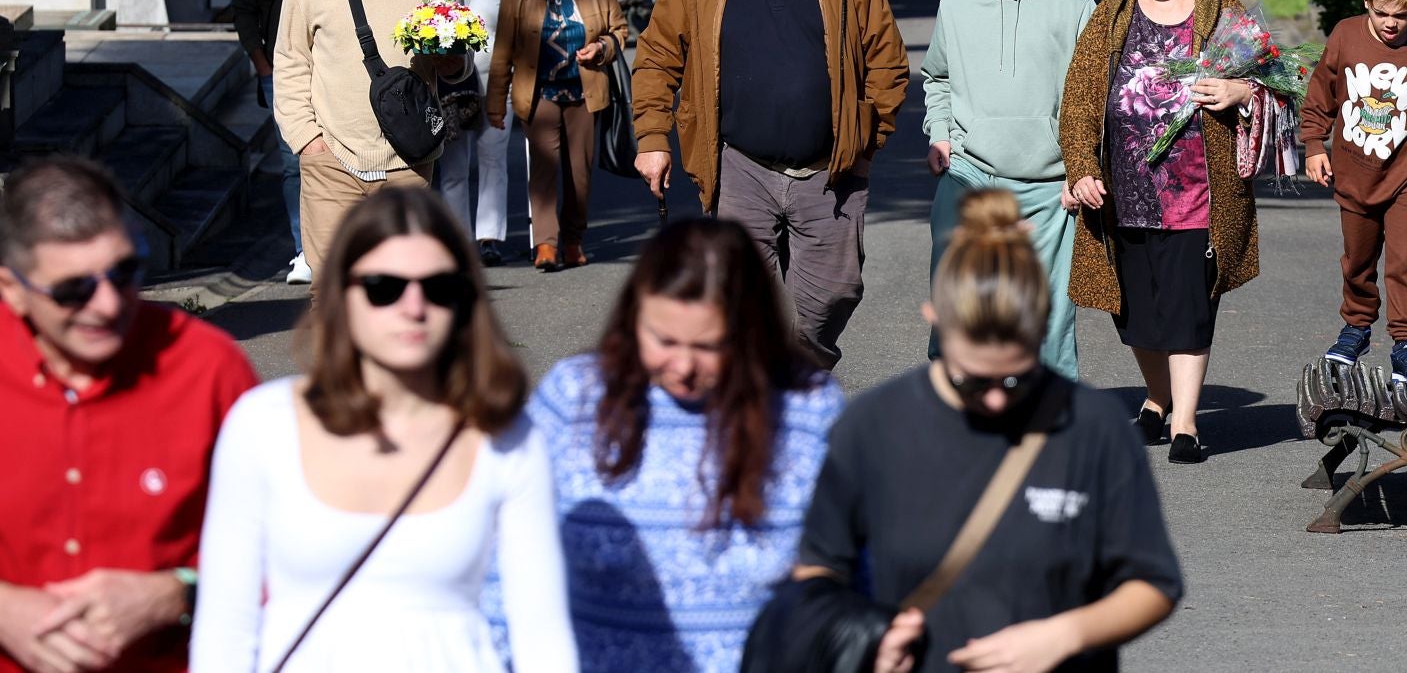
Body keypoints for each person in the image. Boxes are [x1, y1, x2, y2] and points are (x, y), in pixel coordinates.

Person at [795, 190, 1183, 673]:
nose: (997, 398)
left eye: (1016, 377)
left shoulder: (1092, 427)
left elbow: (1154, 583)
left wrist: (1065, 635)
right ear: (935, 319)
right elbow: (814, 570)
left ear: (1042, 326)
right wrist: (864, 636)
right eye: (973, 379)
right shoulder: (873, 424)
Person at [191, 188, 576, 672]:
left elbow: (542, 636)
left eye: (437, 287)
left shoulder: (506, 437)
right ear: (340, 296)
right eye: (383, 287)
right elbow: (225, 627)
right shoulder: (263, 425)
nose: (413, 306)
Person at [504, 218, 843, 672]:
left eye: (710, 346)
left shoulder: (807, 409)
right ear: (634, 319)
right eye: (663, 341)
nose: (682, 366)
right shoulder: (575, 399)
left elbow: (856, 566)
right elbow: (502, 556)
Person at [631, 0, 909, 369]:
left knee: (836, 291)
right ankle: (775, 402)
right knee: (744, 299)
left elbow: (888, 65)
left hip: (831, 168)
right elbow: (655, 59)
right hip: (740, 166)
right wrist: (651, 139)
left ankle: (795, 373)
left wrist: (866, 143)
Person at [0, 157, 257, 673]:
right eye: (74, 290)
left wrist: (176, 595)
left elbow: (291, 547)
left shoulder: (210, 369)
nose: (108, 304)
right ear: (12, 290)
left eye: (124, 272)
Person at [1059, 0, 1261, 464]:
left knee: (1189, 307)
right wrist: (1082, 169)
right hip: (1125, 192)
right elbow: (1078, 97)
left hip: (1198, 194)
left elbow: (1277, 87)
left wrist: (1241, 93)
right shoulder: (1115, 11)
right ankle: (1156, 396)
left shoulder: (1223, 12)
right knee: (1137, 313)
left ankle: (1187, 426)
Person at [924, 0, 1095, 379]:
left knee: (1048, 307)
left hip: (1048, 183)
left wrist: (1082, 168)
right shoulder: (955, 3)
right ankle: (956, 396)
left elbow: (1095, 97)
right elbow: (936, 77)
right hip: (971, 173)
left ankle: (1050, 405)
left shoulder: (1075, 2)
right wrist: (941, 135)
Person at [274, 0, 463, 278]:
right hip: (331, 155)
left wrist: (451, 61)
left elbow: (455, 56)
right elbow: (291, 56)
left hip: (408, 159)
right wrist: (307, 140)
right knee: (330, 288)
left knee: (404, 287)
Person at [1298, 0, 1407, 385]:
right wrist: (1314, 144)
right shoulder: (1346, 36)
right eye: (1382, 12)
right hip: (1354, 174)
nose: (1391, 23)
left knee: (1404, 261)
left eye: (1401, 16)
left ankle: (1405, 346)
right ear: (1365, 0)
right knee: (1358, 260)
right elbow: (1321, 95)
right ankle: (1356, 328)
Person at [485, 0, 629, 273]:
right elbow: (502, 49)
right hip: (539, 95)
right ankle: (546, 244)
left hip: (585, 93)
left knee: (579, 176)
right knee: (544, 174)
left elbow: (620, 31)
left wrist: (602, 48)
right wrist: (495, 104)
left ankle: (573, 240)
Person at [231, 0, 335, 285]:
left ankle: (335, 245)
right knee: (294, 164)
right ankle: (303, 249)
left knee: (338, 160)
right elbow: (243, 12)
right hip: (281, 71)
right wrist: (263, 68)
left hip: (332, 69)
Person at [432, 0, 514, 266]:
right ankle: (459, 240)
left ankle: (489, 237)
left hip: (495, 82)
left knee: (494, 160)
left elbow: (513, 36)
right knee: (452, 167)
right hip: (449, 87)